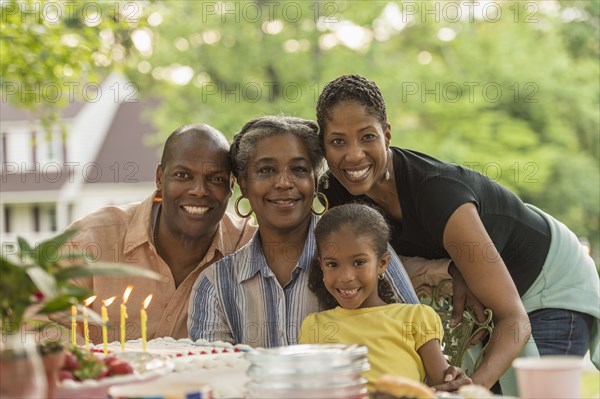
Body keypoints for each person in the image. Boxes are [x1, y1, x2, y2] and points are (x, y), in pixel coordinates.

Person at [315, 74, 600, 393]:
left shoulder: (437, 194)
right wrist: (452, 268)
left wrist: (470, 391)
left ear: (387, 134)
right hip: (495, 292)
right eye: (338, 141)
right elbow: (366, 261)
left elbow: (514, 320)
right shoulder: (336, 193)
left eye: (367, 137)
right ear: (323, 148)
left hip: (549, 281)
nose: (353, 155)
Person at [188, 115, 418, 348]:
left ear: (315, 181)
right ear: (243, 184)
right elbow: (213, 375)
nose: (284, 183)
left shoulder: (364, 249)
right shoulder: (215, 285)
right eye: (267, 170)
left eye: (298, 169)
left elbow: (417, 337)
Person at [59, 123, 256, 344]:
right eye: (183, 175)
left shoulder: (248, 245)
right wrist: (95, 363)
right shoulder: (89, 241)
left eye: (215, 179)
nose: (199, 190)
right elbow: (39, 323)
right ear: (160, 178)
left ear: (231, 185)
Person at [299, 203, 472, 392]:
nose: (346, 276)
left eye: (359, 262)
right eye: (332, 264)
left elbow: (446, 386)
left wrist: (453, 382)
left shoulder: (414, 317)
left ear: (382, 263)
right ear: (321, 265)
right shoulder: (314, 325)